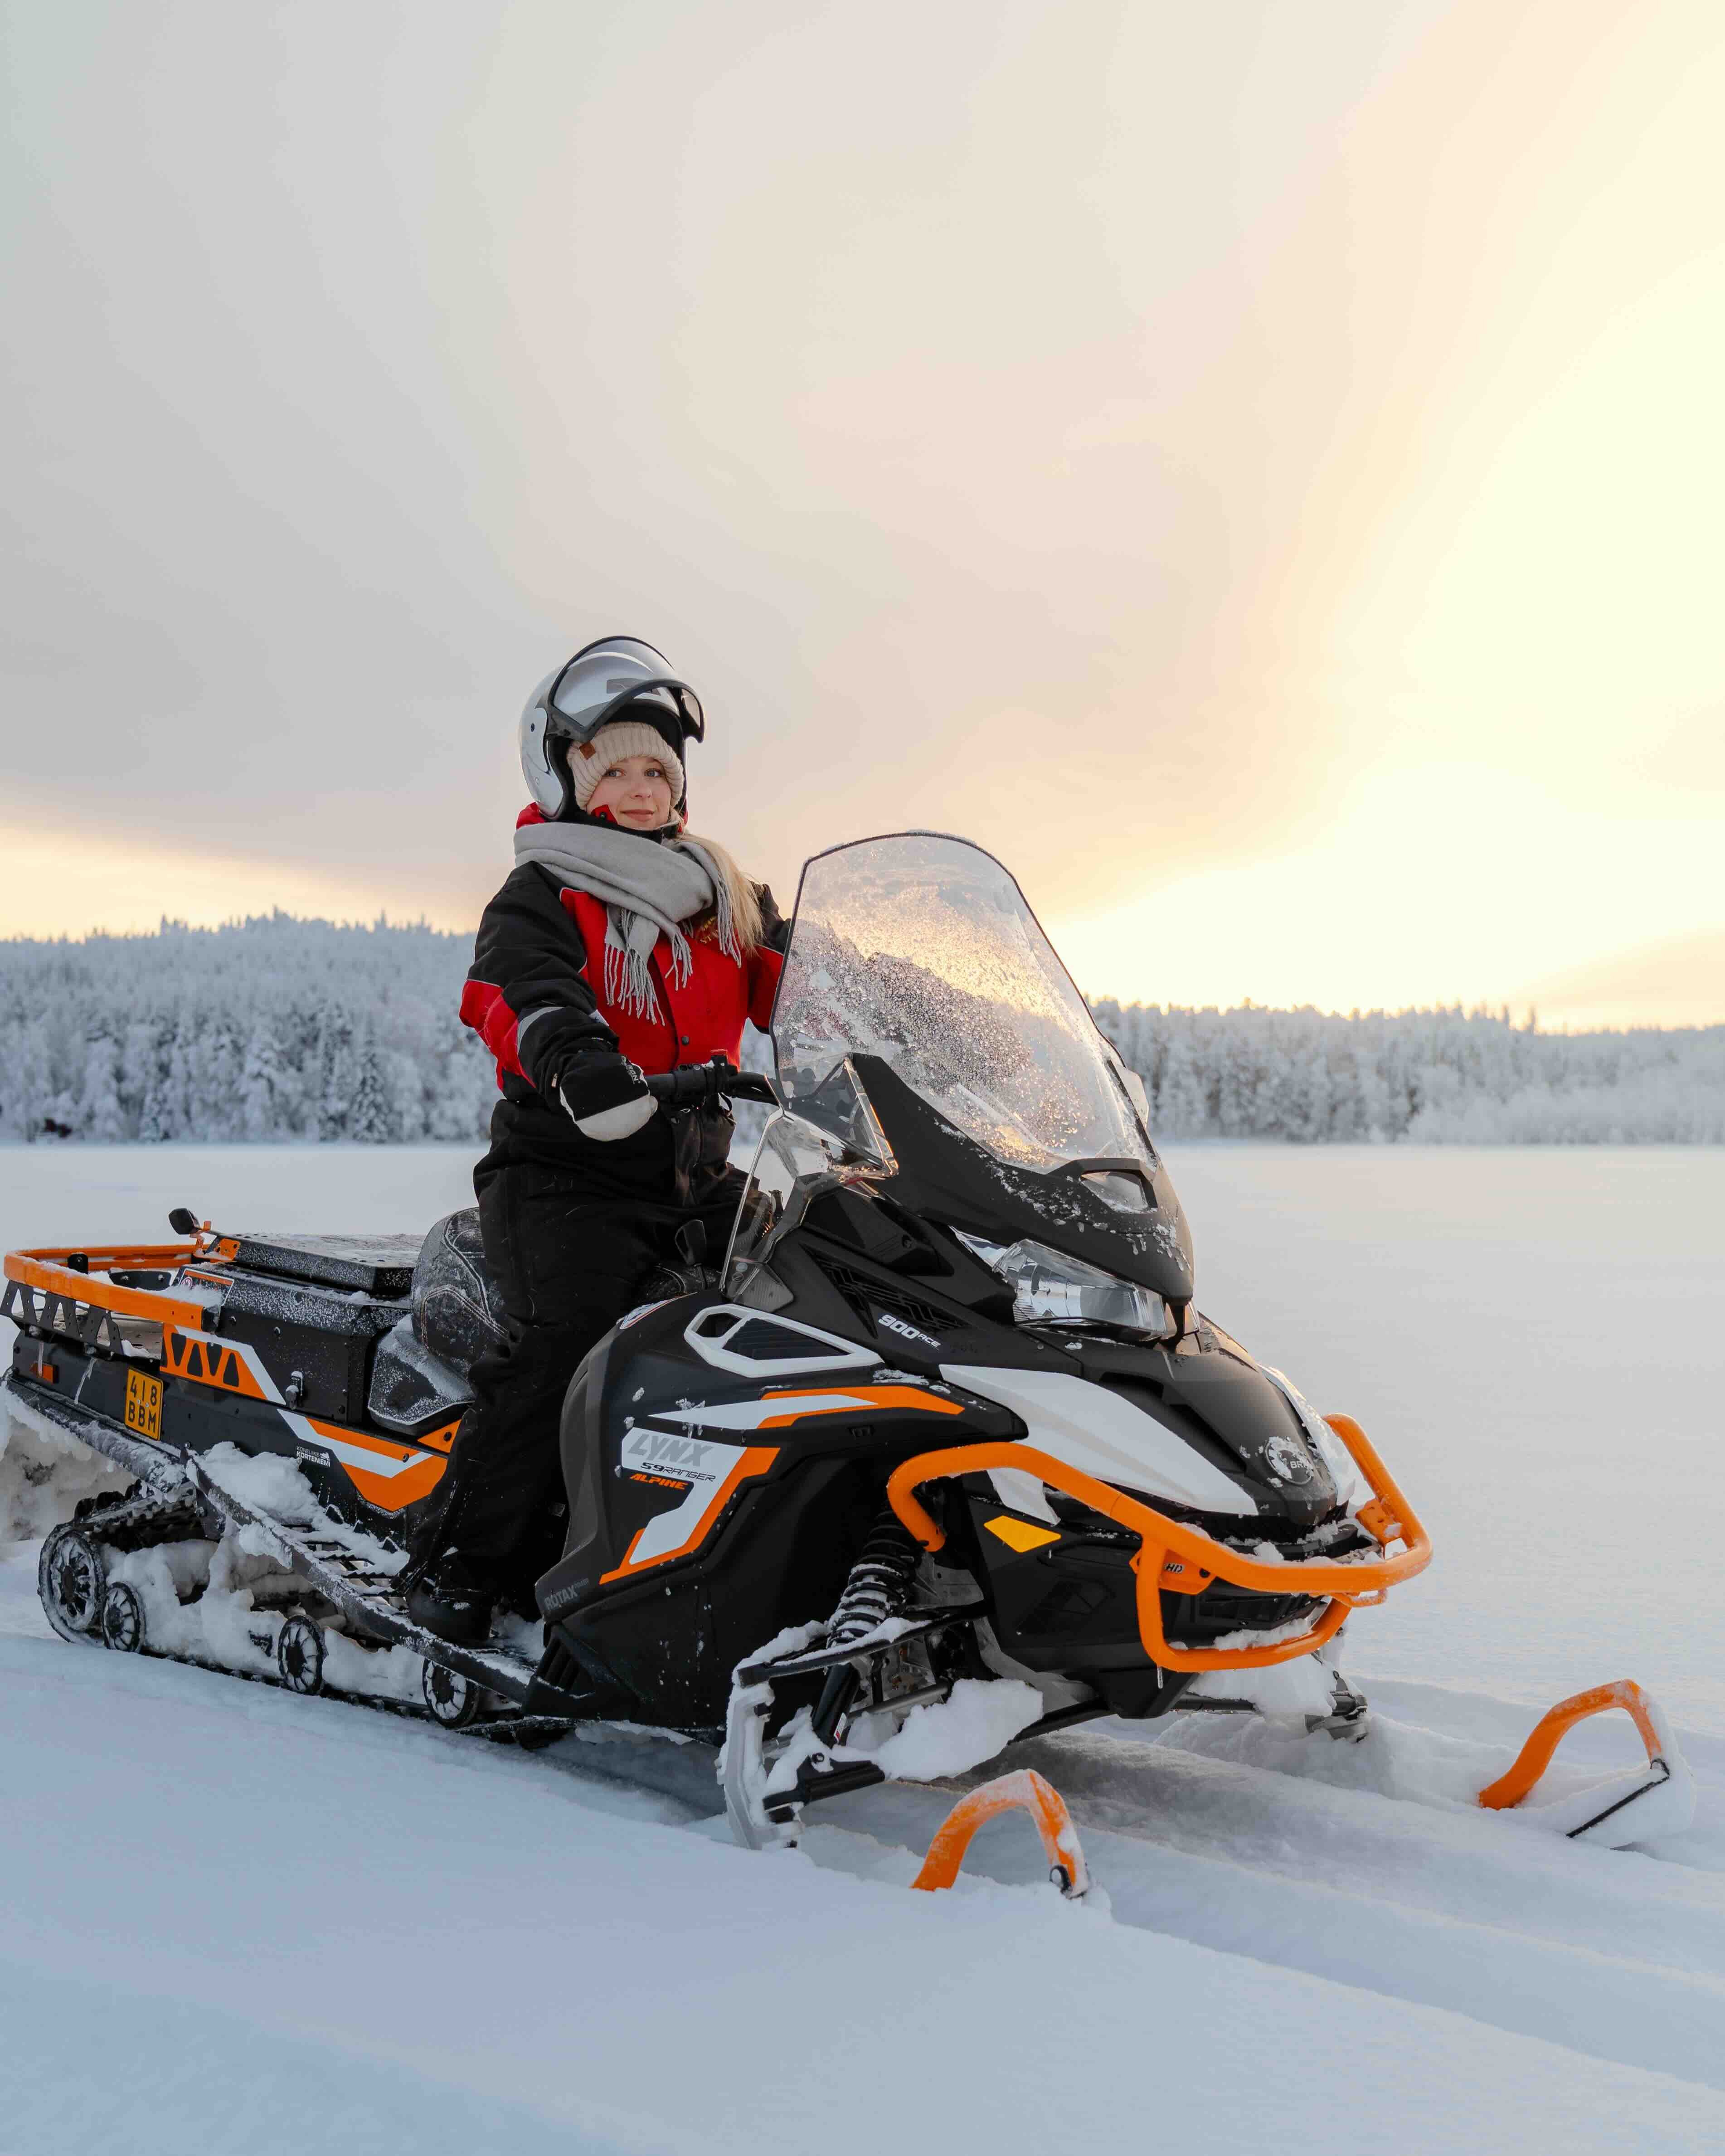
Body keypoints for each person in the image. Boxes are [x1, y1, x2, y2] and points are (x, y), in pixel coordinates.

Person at [404, 636, 786, 1645]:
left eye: (656, 768)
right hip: (566, 1170)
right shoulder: (541, 892)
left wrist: (903, 1017)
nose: (638, 785)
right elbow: (514, 988)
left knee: (821, 1273)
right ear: (568, 779)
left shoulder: (725, 900)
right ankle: (461, 1561)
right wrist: (571, 1053)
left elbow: (812, 983)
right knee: (564, 1343)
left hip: (693, 1171)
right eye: (611, 766)